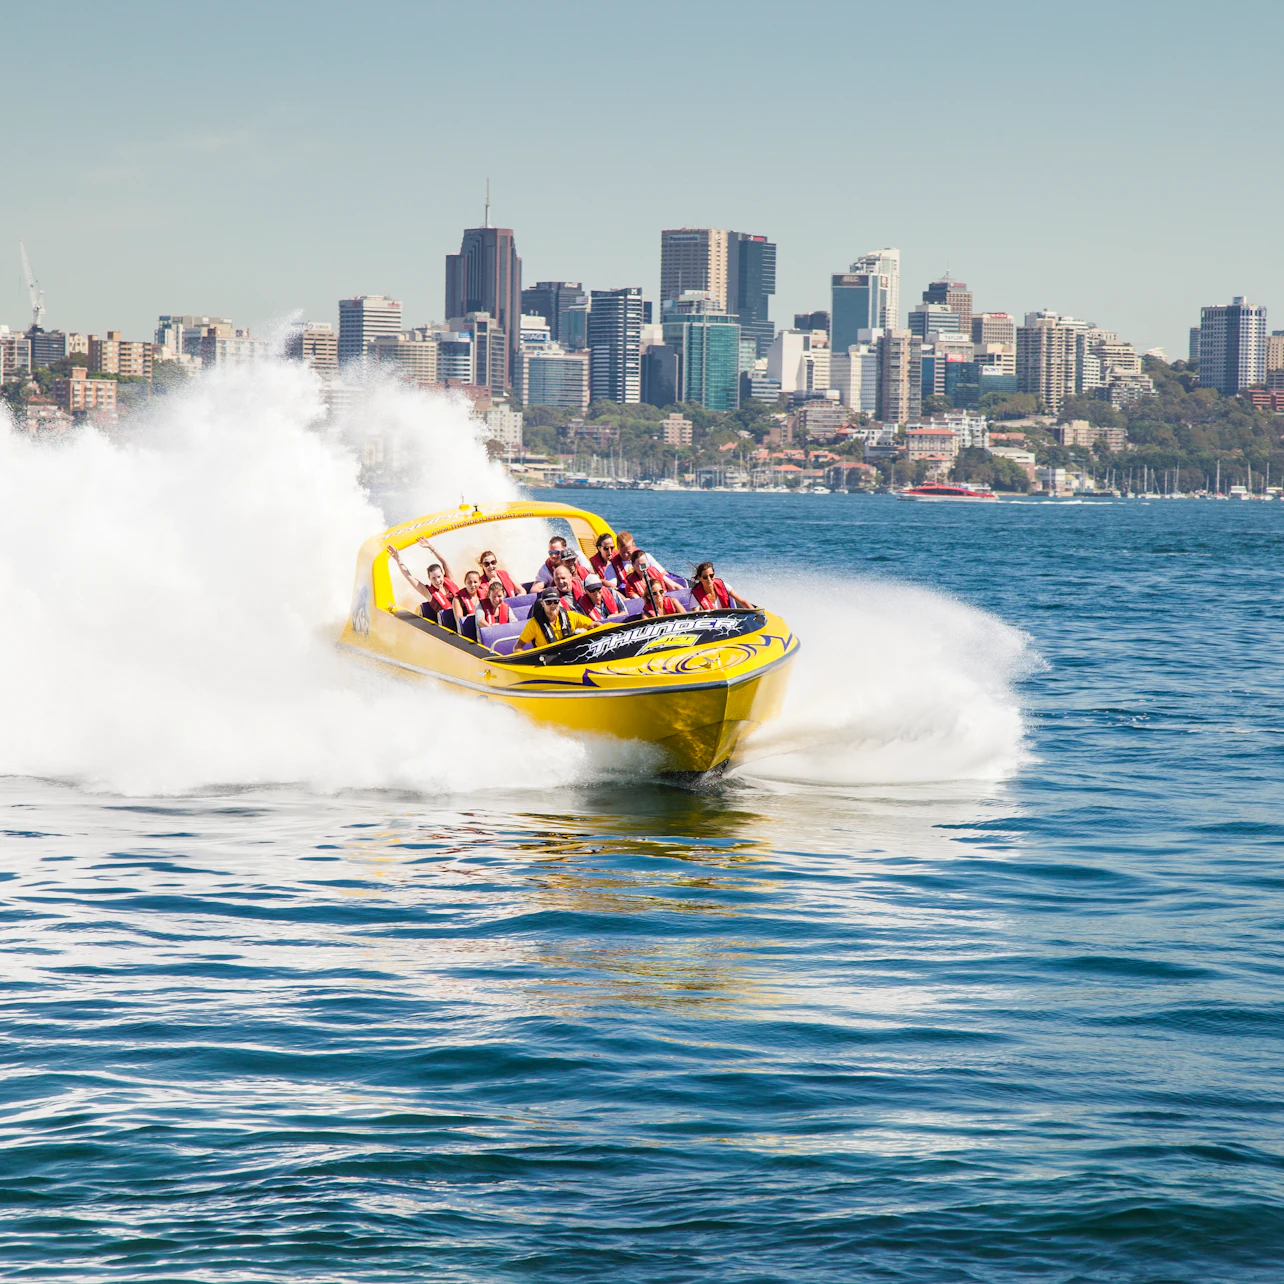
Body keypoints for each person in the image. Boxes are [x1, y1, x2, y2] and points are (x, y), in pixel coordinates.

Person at [515, 586, 596, 651]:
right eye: (549, 602)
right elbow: (517, 647)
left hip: (570, 657)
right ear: (543, 604)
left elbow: (594, 625)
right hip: (548, 663)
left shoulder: (571, 616)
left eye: (556, 602)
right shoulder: (534, 623)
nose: (553, 605)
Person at [387, 545, 458, 618]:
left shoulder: (450, 580)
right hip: (450, 624)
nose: (437, 581)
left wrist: (430, 547)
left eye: (439, 577)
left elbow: (444, 561)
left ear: (443, 575)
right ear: (429, 578)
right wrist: (398, 560)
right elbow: (409, 576)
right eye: (433, 578)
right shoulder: (427, 592)